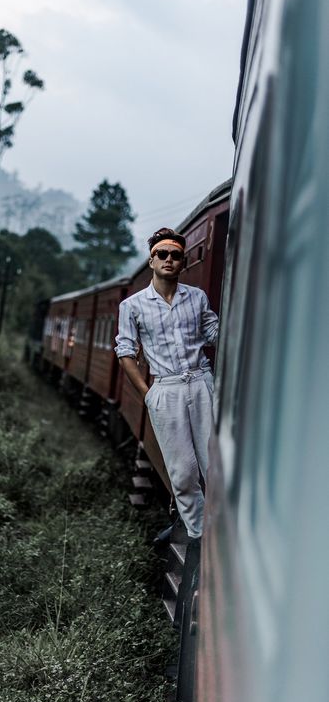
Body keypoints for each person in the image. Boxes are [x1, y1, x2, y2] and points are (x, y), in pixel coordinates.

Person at [114, 227, 218, 543]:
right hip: (165, 389)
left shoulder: (197, 298)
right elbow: (125, 353)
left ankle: (225, 530)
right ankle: (201, 534)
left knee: (215, 462)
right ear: (151, 260)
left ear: (182, 261)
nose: (168, 260)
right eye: (162, 254)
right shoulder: (132, 306)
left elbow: (216, 334)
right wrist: (148, 396)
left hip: (201, 382)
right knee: (183, 472)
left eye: (175, 255)